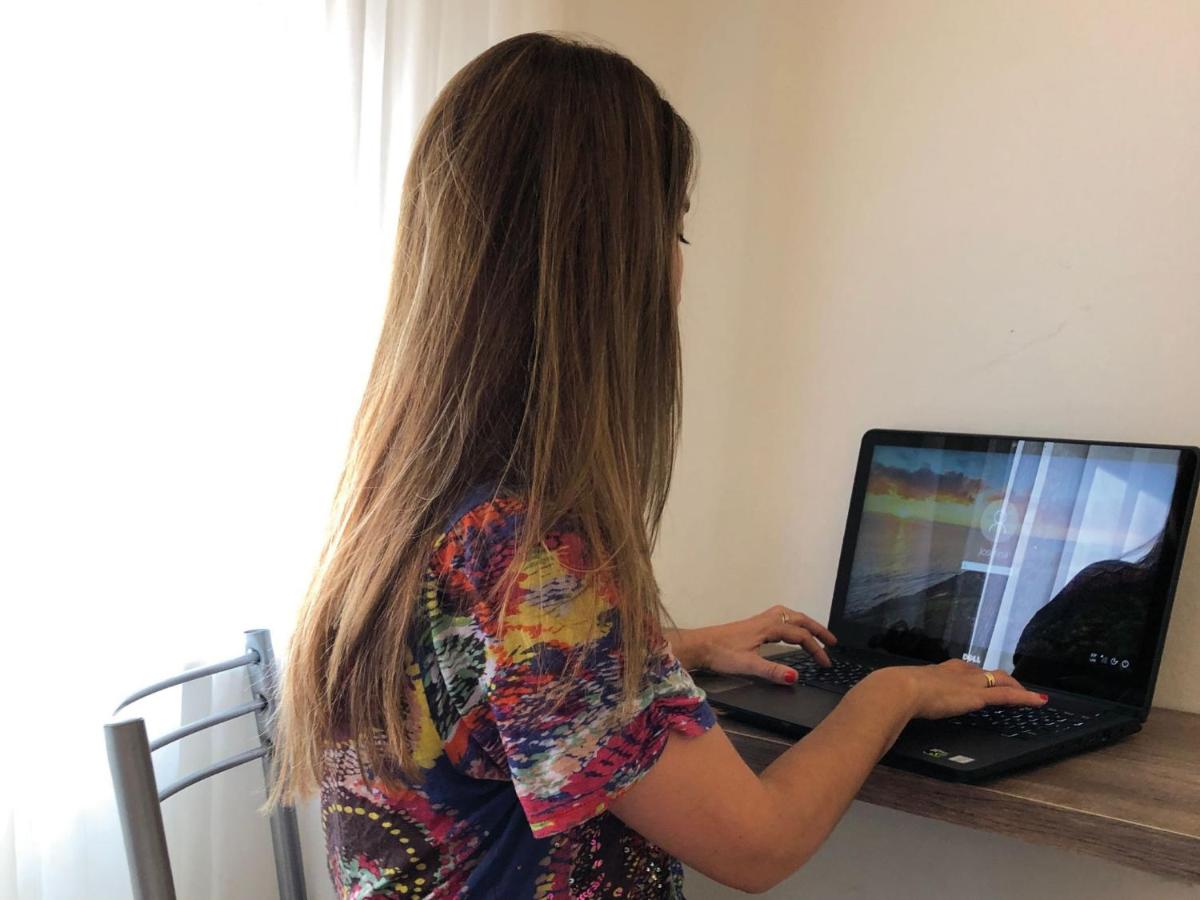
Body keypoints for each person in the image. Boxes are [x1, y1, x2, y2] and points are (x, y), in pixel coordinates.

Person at [270, 31, 1047, 899]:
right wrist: (894, 692)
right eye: (672, 227)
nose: (678, 267)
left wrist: (681, 647)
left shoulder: (413, 500)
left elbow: (485, 680)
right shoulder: (528, 555)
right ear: (603, 262)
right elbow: (758, 846)